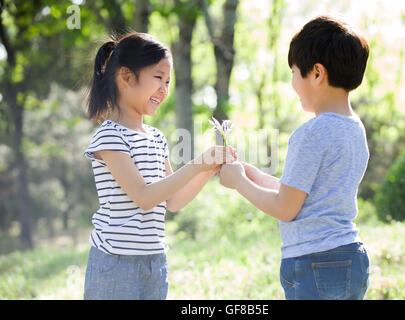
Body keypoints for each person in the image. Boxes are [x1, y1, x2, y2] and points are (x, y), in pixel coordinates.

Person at [219, 15, 371, 300]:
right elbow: (304, 194)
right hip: (353, 257)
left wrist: (239, 182)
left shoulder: (311, 132)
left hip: (314, 262)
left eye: (293, 72)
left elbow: (286, 208)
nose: (292, 83)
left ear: (316, 73)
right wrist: (252, 174)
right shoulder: (355, 129)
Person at [83, 32, 236, 300]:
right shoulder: (109, 137)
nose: (164, 89)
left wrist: (207, 169)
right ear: (127, 77)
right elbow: (144, 197)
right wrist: (197, 163)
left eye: (168, 81)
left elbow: (172, 201)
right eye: (158, 78)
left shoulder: (156, 138)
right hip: (115, 265)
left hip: (155, 262)